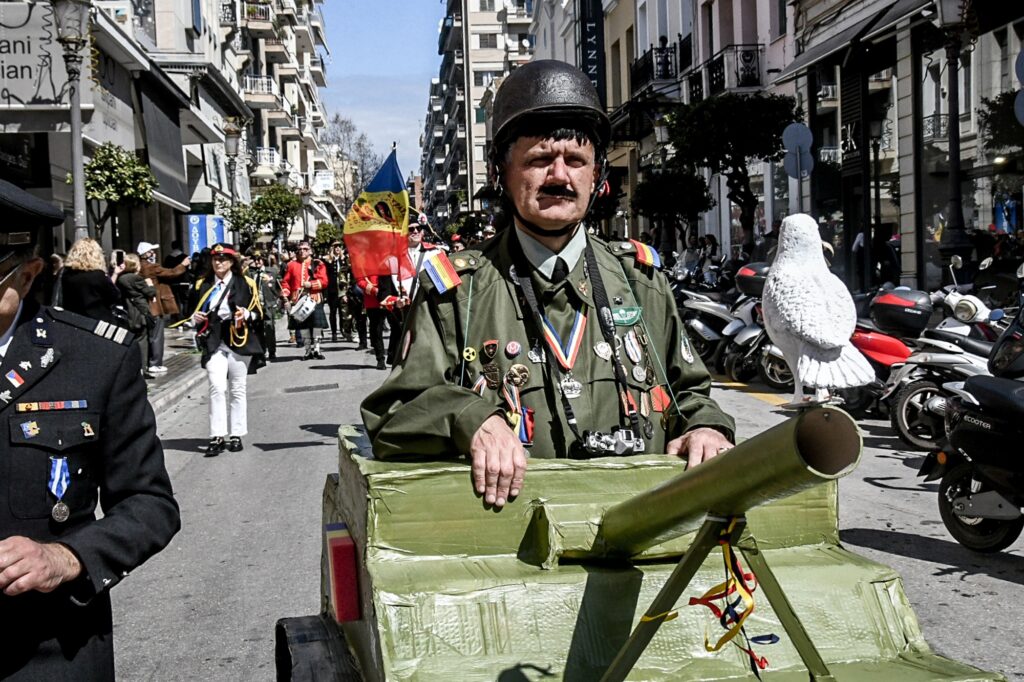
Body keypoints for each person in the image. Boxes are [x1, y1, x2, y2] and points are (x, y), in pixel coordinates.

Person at [361, 60, 735, 509]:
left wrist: (706, 427)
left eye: (576, 161)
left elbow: (689, 393)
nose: (560, 177)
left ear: (596, 175)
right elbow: (392, 417)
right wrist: (471, 418)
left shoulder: (640, 282)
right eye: (539, 160)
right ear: (502, 172)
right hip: (511, 546)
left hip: (643, 537)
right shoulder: (456, 292)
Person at [0, 178, 179, 678]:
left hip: (47, 650)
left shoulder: (95, 359)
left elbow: (150, 504)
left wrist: (66, 557)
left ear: (29, 273)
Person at [187, 243, 264, 456]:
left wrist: (246, 315)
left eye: (223, 259)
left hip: (239, 340)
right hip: (213, 341)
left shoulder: (245, 283)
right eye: (215, 259)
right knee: (217, 387)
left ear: (231, 262)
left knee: (237, 389)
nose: (218, 263)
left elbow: (259, 313)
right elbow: (190, 313)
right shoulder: (202, 284)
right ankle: (217, 435)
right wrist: (195, 318)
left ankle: (236, 434)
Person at [138, 241, 190, 374]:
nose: (153, 254)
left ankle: (147, 362)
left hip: (144, 305)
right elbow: (171, 273)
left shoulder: (139, 267)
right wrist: (183, 265)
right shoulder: (151, 267)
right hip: (154, 305)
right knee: (156, 335)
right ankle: (155, 363)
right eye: (151, 251)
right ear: (145, 254)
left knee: (148, 335)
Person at [280, 240, 328, 360]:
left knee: (317, 326)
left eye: (305, 249)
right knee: (303, 327)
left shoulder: (318, 264)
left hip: (314, 298)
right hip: (298, 299)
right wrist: (285, 293)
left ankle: (317, 349)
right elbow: (286, 282)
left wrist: (311, 284)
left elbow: (324, 281)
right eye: (300, 249)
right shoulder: (291, 265)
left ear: (310, 251)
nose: (302, 251)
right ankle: (307, 351)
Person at [60, 238, 124, 325]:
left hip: (74, 320)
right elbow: (114, 296)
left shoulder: (66, 274)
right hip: (98, 322)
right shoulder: (98, 275)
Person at [115, 252, 158, 374]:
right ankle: (141, 368)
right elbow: (150, 293)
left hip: (128, 312)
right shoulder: (136, 278)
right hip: (140, 312)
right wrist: (151, 285)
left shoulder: (121, 278)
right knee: (142, 341)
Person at [249, 251, 282, 361]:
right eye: (255, 259)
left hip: (269, 304)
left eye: (259, 259)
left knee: (269, 328)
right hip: (256, 305)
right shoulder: (251, 273)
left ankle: (272, 351)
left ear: (263, 260)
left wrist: (278, 300)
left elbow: (279, 287)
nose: (257, 262)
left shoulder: (271, 272)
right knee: (257, 329)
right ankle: (261, 352)